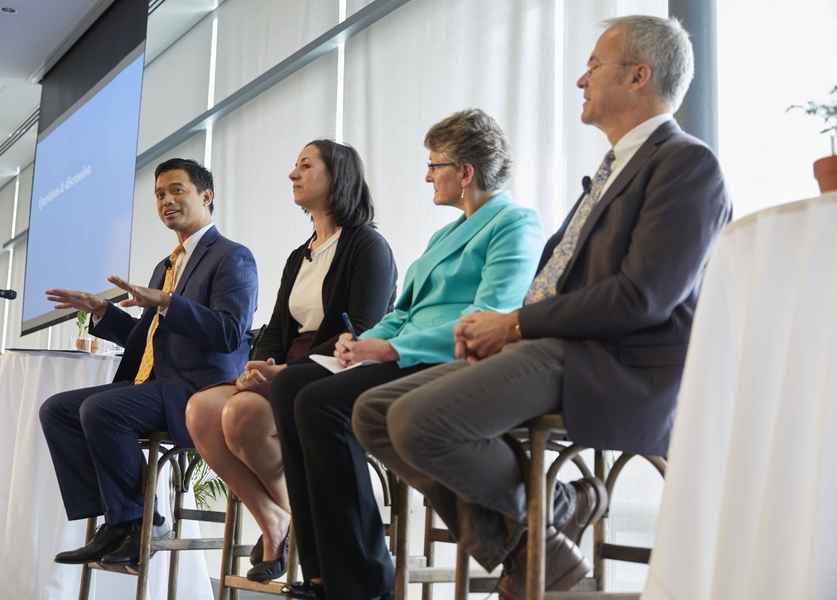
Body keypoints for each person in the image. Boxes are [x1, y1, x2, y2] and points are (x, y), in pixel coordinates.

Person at [353, 15, 734, 599]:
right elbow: (553, 278)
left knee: (414, 421)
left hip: (613, 361)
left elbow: (642, 297)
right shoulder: (611, 171)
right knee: (374, 412)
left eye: (593, 66)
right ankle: (546, 530)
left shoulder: (687, 164)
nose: (581, 80)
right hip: (554, 347)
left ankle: (538, 536)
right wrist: (503, 330)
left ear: (638, 76)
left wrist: (513, 324)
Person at [269, 109, 544, 600]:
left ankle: (361, 580)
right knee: (290, 385)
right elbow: (404, 312)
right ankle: (320, 573)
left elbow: (489, 315)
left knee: (320, 403)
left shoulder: (514, 224)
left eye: (434, 165)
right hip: (403, 352)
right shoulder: (443, 235)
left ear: (465, 173)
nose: (427, 175)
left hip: (447, 359)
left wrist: (393, 348)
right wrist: (363, 342)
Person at [184, 140, 397, 582]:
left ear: (337, 177)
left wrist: (283, 371)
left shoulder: (368, 246)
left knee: (242, 415)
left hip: (333, 370)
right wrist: (259, 364)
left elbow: (363, 328)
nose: (292, 174)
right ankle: (279, 519)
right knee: (201, 410)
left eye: (305, 165)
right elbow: (277, 327)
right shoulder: (300, 255)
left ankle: (302, 526)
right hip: (285, 371)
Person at [39, 158, 258, 566]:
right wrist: (103, 311)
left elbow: (229, 333)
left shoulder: (232, 256)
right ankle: (121, 518)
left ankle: (134, 520)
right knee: (57, 410)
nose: (166, 200)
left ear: (205, 196)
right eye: (159, 194)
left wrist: (169, 302)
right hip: (156, 384)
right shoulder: (166, 266)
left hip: (199, 389)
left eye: (177, 190)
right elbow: (146, 342)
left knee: (101, 410)